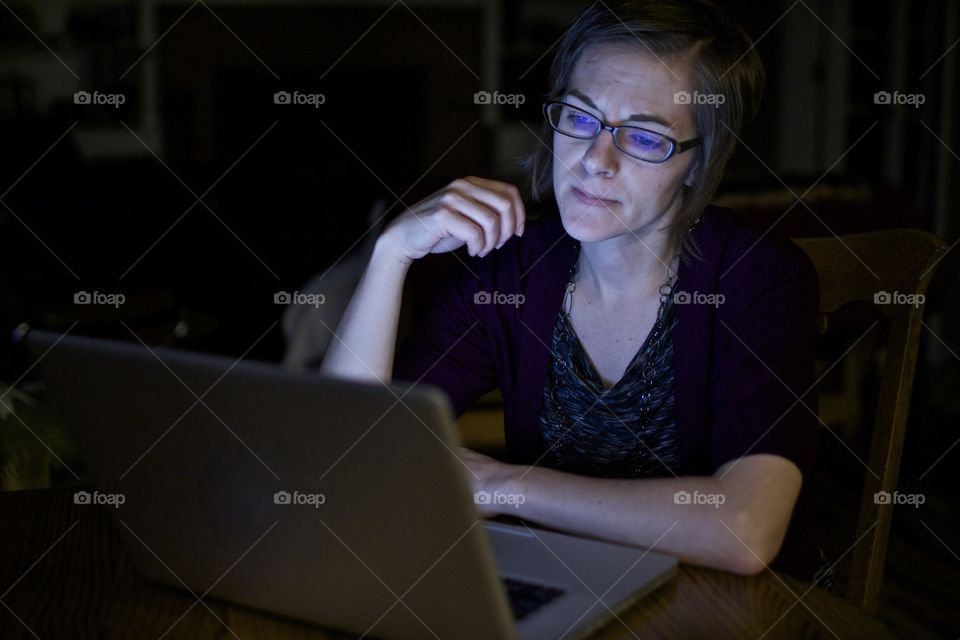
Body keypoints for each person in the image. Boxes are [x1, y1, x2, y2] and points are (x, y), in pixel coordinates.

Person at [321, 0, 821, 578]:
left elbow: (744, 529)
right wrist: (391, 254)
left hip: (728, 612)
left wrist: (499, 485)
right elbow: (348, 452)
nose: (595, 161)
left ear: (698, 161)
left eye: (643, 137)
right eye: (581, 119)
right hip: (556, 584)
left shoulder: (759, 279)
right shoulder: (505, 274)